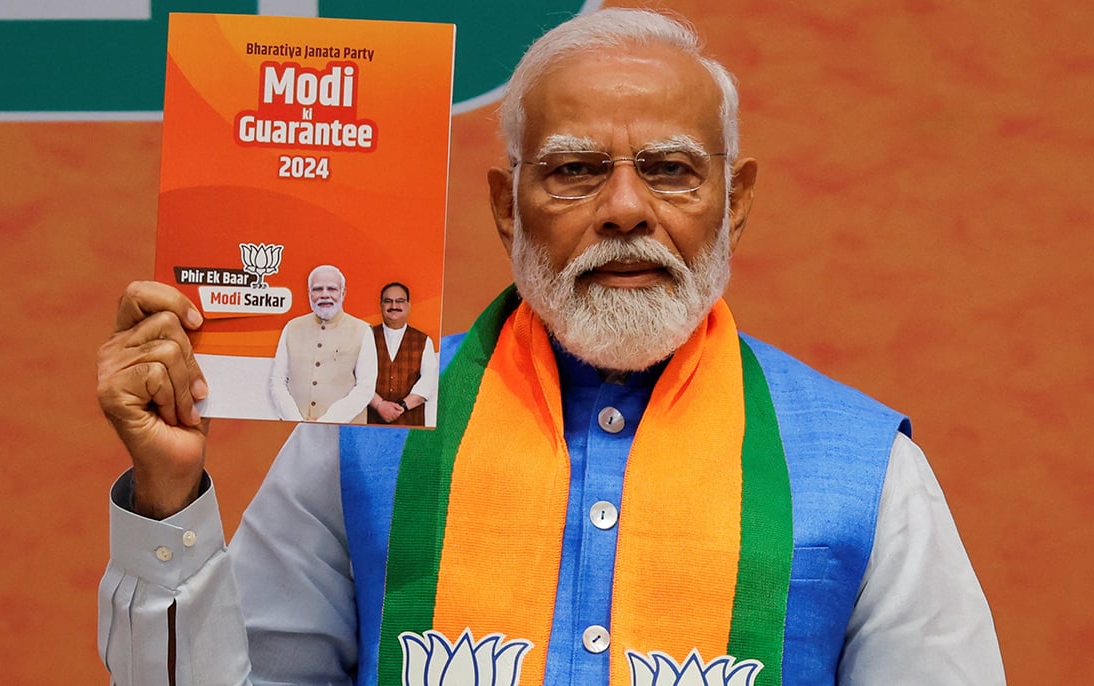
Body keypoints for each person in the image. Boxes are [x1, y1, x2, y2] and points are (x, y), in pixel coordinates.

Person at [95, 8, 1005, 685]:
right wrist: (167, 497)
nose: (623, 209)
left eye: (671, 170)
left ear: (736, 202)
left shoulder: (870, 470)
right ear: (505, 205)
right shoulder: (365, 427)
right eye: (574, 170)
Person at [268, 264, 377, 423]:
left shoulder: (362, 331)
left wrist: (326, 422)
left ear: (343, 293)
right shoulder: (292, 328)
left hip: (344, 431)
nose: (324, 295)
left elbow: (365, 388)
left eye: (332, 289)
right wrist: (295, 421)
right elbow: (277, 381)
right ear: (309, 293)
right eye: (317, 289)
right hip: (296, 429)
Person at [367, 282, 438, 426]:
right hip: (369, 422)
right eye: (388, 301)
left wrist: (401, 407)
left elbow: (429, 381)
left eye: (400, 301)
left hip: (410, 425)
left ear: (408, 305)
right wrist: (379, 405)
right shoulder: (366, 337)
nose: (394, 306)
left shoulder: (423, 340)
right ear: (381, 305)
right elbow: (356, 379)